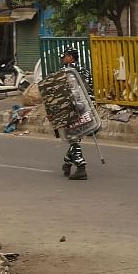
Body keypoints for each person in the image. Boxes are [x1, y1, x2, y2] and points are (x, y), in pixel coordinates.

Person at [59, 48, 93, 181]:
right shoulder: (84, 71)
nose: (63, 59)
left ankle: (80, 166)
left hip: (74, 109)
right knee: (75, 136)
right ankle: (67, 162)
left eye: (65, 56)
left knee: (73, 137)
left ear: (71, 58)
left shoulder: (67, 73)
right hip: (87, 108)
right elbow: (90, 89)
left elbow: (64, 92)